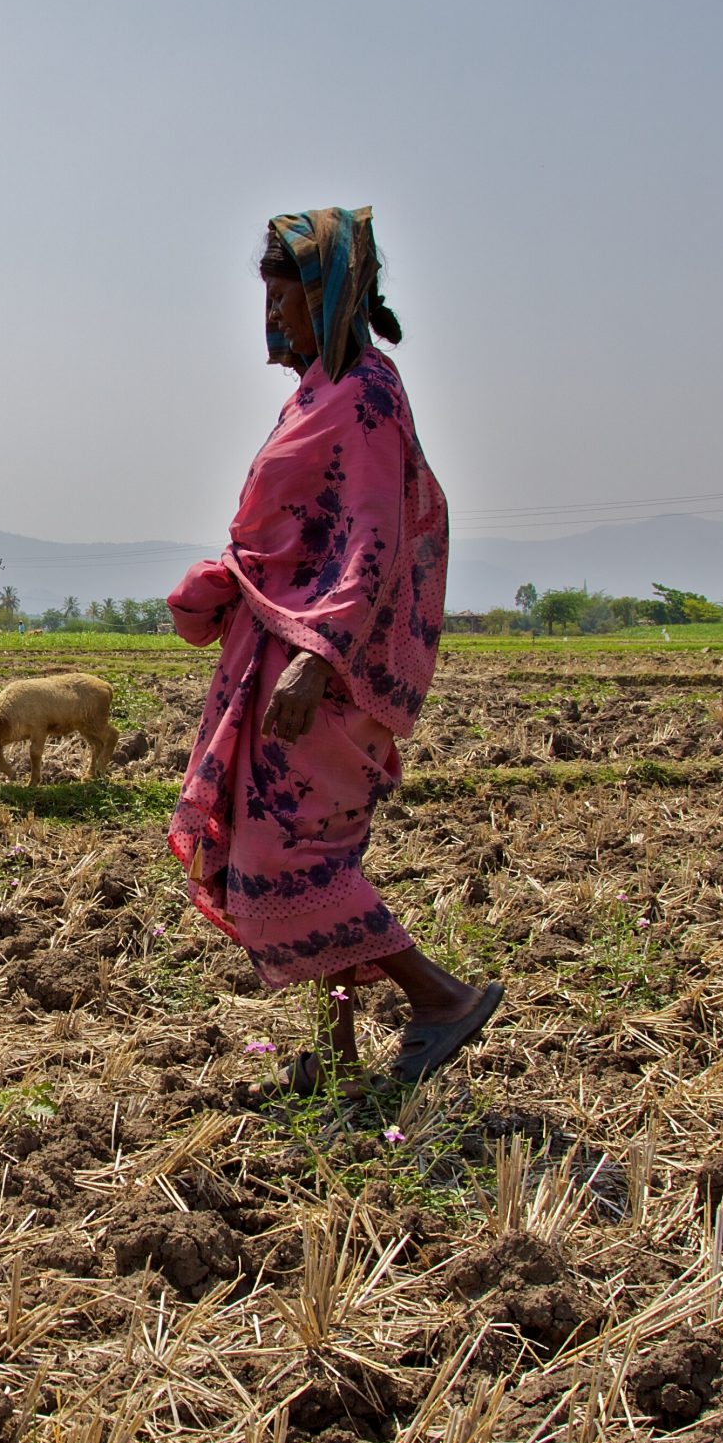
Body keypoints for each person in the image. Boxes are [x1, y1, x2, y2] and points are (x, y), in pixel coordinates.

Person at [168, 207, 501, 1098]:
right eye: (266, 300)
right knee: (296, 850)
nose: (270, 320)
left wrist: (322, 656)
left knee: (288, 860)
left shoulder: (366, 398)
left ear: (330, 297)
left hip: (320, 671)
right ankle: (342, 1052)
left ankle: (442, 997)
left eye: (285, 300)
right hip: (277, 655)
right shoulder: (316, 396)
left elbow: (375, 537)